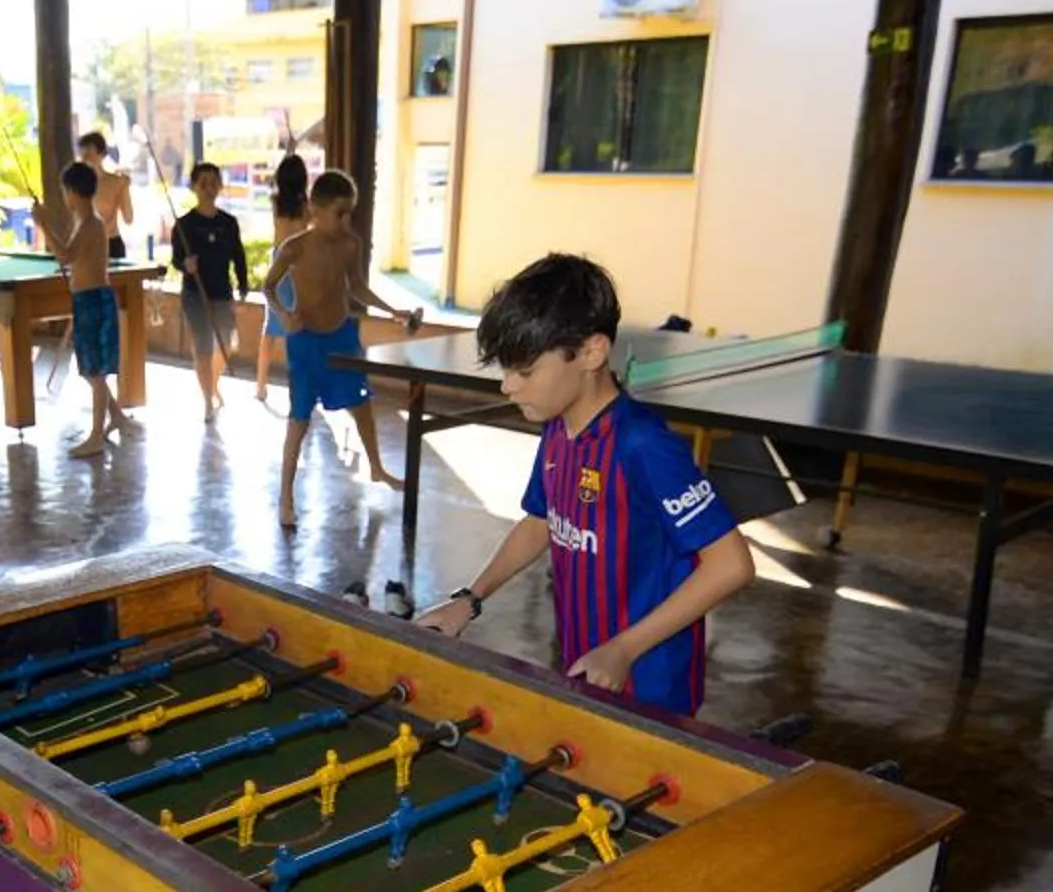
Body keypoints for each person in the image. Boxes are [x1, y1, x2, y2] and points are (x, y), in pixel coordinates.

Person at [416, 254, 755, 716]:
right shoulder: (559, 427)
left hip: (651, 683)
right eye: (505, 369)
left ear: (592, 353)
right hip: (587, 664)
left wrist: (625, 648)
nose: (507, 386)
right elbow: (542, 520)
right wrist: (470, 600)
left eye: (526, 370)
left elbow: (731, 565)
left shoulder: (644, 446)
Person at [256, 169, 417, 531]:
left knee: (362, 405)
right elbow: (268, 287)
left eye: (350, 213)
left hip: (342, 336)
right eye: (340, 212)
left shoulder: (350, 244)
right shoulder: (294, 247)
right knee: (298, 421)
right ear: (315, 208)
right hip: (306, 343)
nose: (346, 220)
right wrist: (284, 315)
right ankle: (285, 496)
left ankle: (376, 467)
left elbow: (356, 286)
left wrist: (392, 311)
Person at [30, 160, 135, 461]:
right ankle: (115, 416)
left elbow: (65, 255)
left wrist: (44, 224)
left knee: (95, 371)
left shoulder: (91, 223)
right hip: (87, 300)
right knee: (91, 370)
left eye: (64, 191)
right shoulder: (87, 222)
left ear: (72, 193)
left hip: (94, 301)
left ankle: (95, 437)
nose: (64, 196)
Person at [168, 162, 247, 423]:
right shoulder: (184, 225)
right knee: (202, 346)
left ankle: (212, 385)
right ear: (193, 187)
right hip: (195, 295)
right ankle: (206, 401)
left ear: (220, 186)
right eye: (203, 183)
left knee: (226, 345)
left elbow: (238, 256)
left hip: (222, 292)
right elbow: (176, 260)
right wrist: (185, 266)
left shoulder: (229, 223)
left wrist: (244, 285)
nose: (209, 188)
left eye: (214, 183)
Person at [252, 152, 310, 405]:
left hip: (278, 261)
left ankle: (261, 385)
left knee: (271, 327)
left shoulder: (276, 202)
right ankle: (298, 386)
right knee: (296, 327)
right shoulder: (305, 206)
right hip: (298, 263)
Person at [78, 130, 134, 261]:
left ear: (101, 154)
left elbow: (128, 218)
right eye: (83, 152)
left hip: (111, 245)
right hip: (85, 245)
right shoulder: (75, 184)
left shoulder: (116, 182)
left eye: (90, 152)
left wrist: (125, 189)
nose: (85, 157)